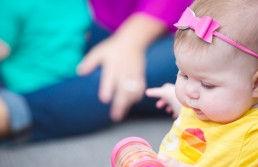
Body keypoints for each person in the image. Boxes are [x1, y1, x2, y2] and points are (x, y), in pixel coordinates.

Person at [145, 0, 258, 167]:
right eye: (183, 74)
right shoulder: (208, 106)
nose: (190, 91)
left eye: (207, 84)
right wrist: (175, 101)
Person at [0, 0, 193, 141]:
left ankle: (10, 113)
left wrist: (130, 41)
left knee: (110, 81)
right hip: (97, 21)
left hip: (180, 27)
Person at [0, 0, 91, 138]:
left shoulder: (79, 4)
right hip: (26, 91)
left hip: (71, 81)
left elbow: (83, 37)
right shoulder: (11, 4)